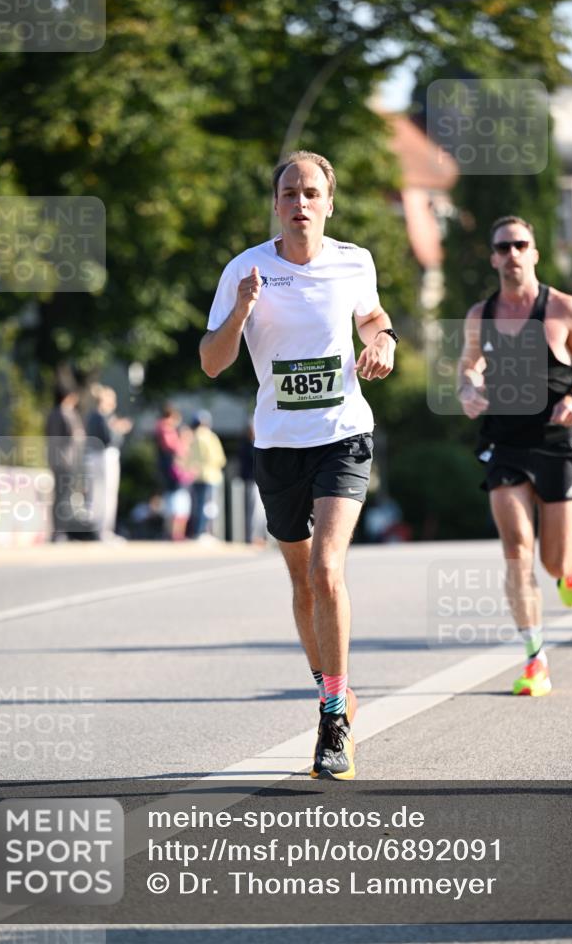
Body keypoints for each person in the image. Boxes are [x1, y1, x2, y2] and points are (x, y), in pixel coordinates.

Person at [200, 150, 397, 779]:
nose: (301, 202)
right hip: (279, 443)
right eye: (290, 192)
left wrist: (384, 341)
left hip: (342, 434)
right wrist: (241, 310)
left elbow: (371, 315)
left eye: (312, 192)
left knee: (326, 568)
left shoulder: (354, 262)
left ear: (329, 203)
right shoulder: (245, 269)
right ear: (277, 203)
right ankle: (329, 683)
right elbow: (211, 361)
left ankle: (333, 716)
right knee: (300, 580)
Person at [458, 215, 572, 696]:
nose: (511, 254)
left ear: (535, 252)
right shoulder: (480, 315)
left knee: (553, 562)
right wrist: (468, 388)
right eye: (502, 247)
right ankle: (534, 659)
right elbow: (468, 366)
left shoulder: (562, 308)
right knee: (516, 552)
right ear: (493, 257)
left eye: (520, 244)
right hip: (506, 444)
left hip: (556, 442)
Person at [85, 385, 133, 541]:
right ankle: (104, 531)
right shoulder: (102, 417)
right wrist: (119, 429)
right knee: (107, 494)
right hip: (104, 456)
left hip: (96, 456)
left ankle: (100, 531)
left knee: (99, 494)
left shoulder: (94, 416)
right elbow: (109, 438)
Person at [45, 382, 86, 541]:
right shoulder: (58, 414)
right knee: (61, 496)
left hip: (70, 460)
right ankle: (58, 531)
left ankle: (65, 530)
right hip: (63, 461)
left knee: (68, 496)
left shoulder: (69, 413)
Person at [155, 404, 193, 541]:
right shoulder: (165, 428)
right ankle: (174, 533)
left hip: (173, 470)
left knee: (178, 501)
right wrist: (183, 442)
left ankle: (176, 533)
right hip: (172, 472)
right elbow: (173, 447)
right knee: (175, 501)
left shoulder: (165, 429)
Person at [187, 410, 227, 540]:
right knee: (208, 506)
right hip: (210, 475)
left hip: (195, 475)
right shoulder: (210, 436)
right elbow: (219, 458)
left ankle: (197, 532)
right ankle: (203, 532)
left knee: (197, 505)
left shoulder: (192, 437)